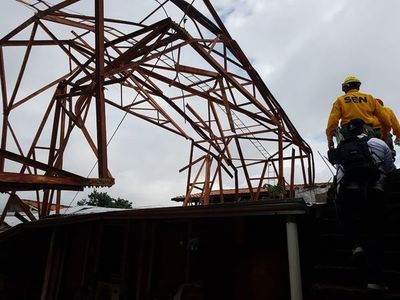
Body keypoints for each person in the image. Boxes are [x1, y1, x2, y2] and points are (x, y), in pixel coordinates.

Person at [332, 118, 396, 291]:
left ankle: (356, 245)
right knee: (375, 233)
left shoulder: (342, 147)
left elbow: (338, 172)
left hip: (346, 194)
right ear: (366, 129)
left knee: (353, 225)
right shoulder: (378, 142)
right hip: (373, 191)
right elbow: (390, 170)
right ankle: (374, 280)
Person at [326, 76, 390, 149]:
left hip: (348, 133)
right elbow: (386, 121)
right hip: (368, 131)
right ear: (358, 87)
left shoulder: (340, 100)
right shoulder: (370, 98)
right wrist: (384, 136)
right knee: (371, 156)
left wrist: (330, 139)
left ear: (346, 87)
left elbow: (332, 122)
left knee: (350, 155)